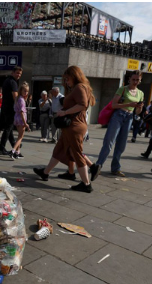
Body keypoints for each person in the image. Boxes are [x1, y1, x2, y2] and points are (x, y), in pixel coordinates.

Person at [33, 65, 98, 193]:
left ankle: (86, 184)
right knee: (59, 149)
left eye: (68, 79)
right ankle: (45, 172)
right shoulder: (80, 87)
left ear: (74, 76)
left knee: (77, 154)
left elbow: (83, 105)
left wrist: (65, 112)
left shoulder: (79, 87)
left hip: (74, 126)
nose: (66, 82)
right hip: (71, 126)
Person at [94, 70, 145, 177]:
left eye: (137, 80)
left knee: (121, 144)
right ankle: (98, 166)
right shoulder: (123, 89)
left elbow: (138, 112)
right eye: (133, 79)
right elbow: (113, 105)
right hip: (118, 115)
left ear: (140, 80)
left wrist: (139, 108)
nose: (135, 82)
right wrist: (129, 104)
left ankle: (115, 168)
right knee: (109, 142)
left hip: (129, 117)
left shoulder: (141, 93)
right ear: (129, 79)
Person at [0, 66, 22, 156]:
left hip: (5, 107)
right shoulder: (13, 82)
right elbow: (15, 97)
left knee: (9, 128)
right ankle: (1, 148)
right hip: (10, 109)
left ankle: (14, 147)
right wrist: (19, 109)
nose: (18, 75)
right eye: (17, 73)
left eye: (20, 74)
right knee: (8, 128)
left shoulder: (7, 80)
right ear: (12, 72)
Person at [10, 82, 31, 159]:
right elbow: (22, 112)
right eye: (24, 91)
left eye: (27, 91)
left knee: (19, 135)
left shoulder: (18, 98)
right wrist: (25, 123)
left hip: (17, 118)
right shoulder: (22, 100)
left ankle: (17, 152)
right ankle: (13, 150)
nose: (26, 93)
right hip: (21, 119)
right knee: (20, 137)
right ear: (21, 90)